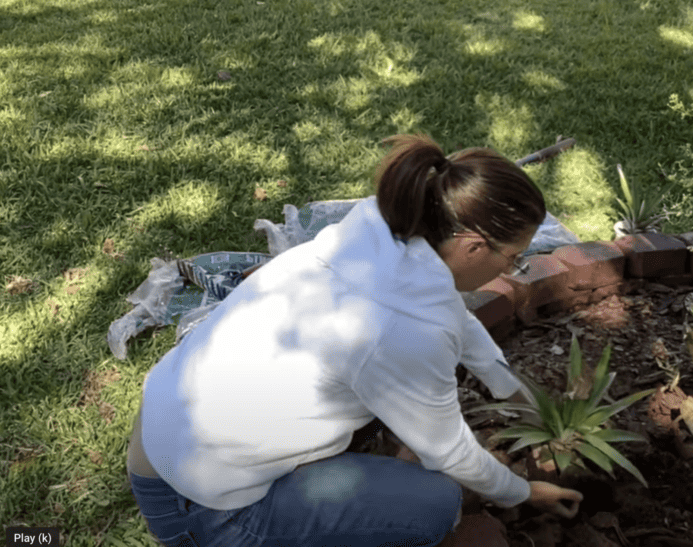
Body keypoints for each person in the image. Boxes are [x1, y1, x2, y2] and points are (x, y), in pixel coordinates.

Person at [126, 134, 583, 547]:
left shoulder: (379, 238)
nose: (511, 270)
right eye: (515, 258)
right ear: (473, 248)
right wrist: (522, 491)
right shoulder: (400, 328)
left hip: (166, 436)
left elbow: (451, 313)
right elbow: (448, 450)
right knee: (437, 503)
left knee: (376, 418)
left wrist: (508, 385)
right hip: (204, 508)